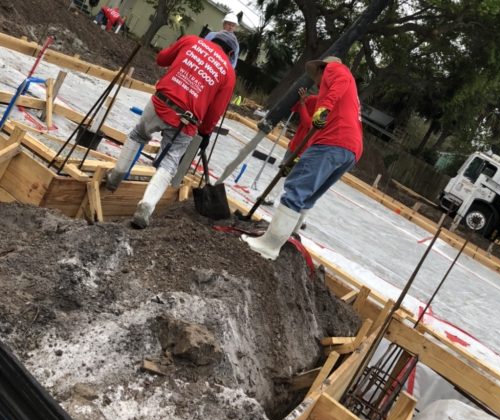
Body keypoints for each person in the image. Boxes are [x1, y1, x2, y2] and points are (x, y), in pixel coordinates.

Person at [105, 31, 237, 229]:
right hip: (187, 120)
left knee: (139, 135)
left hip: (161, 102)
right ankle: (146, 207)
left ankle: (116, 176)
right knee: (170, 162)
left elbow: (161, 58)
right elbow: (215, 111)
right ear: (230, 52)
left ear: (212, 40)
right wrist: (205, 132)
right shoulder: (228, 72)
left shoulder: (191, 41)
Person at [242, 56, 363, 260]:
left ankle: (269, 245)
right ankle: (290, 237)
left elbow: (338, 82)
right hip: (350, 150)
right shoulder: (343, 101)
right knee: (308, 196)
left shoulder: (334, 70)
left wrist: (325, 106)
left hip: (334, 142)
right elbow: (315, 133)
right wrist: (299, 162)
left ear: (321, 70)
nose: (316, 82)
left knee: (296, 191)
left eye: (316, 76)